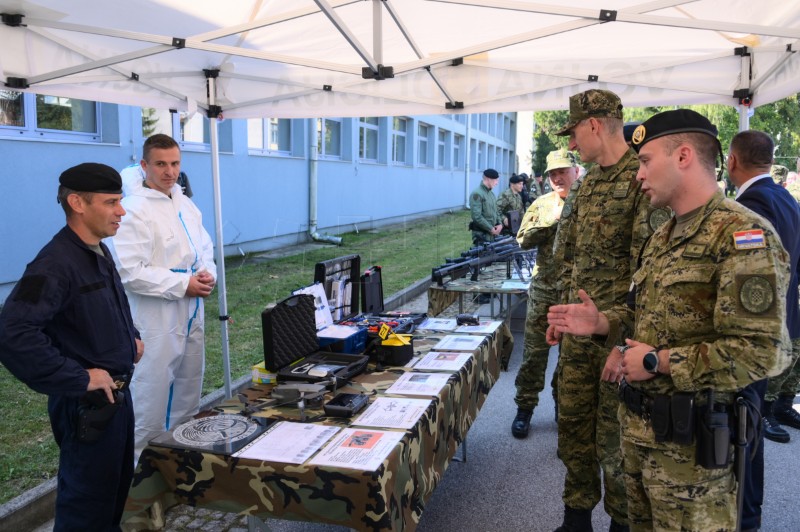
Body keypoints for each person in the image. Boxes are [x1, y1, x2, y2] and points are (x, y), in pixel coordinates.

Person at [548, 109, 791, 531]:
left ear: (683, 157)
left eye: (645, 161)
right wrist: (604, 323)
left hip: (692, 464)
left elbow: (763, 353)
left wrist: (656, 362)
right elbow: (645, 317)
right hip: (641, 444)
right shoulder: (665, 235)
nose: (638, 174)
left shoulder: (742, 236)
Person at [0, 163, 142, 530]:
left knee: (112, 498)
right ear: (78, 203)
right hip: (86, 407)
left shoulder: (96, 249)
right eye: (112, 202)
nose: (121, 211)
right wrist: (77, 376)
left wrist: (131, 336)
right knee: (86, 509)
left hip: (116, 399)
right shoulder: (54, 264)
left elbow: (103, 307)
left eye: (120, 201)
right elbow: (13, 332)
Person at [549, 88, 666, 532]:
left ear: (595, 124)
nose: (572, 144)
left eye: (575, 132)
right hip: (578, 334)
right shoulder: (589, 182)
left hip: (618, 338)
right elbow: (569, 258)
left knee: (615, 442)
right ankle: (575, 521)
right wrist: (558, 317)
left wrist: (622, 340)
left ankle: (623, 523)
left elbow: (648, 273)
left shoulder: (641, 179)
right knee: (573, 430)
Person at [110, 133, 217, 463]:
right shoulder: (133, 209)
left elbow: (204, 248)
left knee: (187, 389)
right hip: (154, 317)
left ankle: (179, 468)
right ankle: (139, 480)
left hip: (190, 311)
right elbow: (129, 270)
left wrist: (206, 273)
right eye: (160, 164)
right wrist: (183, 283)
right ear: (144, 165)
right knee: (150, 395)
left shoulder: (184, 202)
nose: (169, 172)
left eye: (174, 164)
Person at [728, 130, 800, 531]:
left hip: (753, 336)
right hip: (779, 324)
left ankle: (747, 516)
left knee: (744, 428)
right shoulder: (785, 198)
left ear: (733, 161)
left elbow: (750, 277)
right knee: (748, 424)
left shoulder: (752, 205)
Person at [511, 149, 580, 439]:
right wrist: (547, 224)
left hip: (577, 294)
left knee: (572, 357)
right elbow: (522, 239)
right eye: (552, 173)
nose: (557, 177)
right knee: (534, 354)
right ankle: (524, 408)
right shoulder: (541, 204)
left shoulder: (590, 204)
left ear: (576, 171)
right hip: (544, 290)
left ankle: (562, 407)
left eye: (563, 171)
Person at [469, 168, 503, 246]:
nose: (497, 183)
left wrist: (500, 224)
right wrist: (490, 229)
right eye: (495, 180)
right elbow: (476, 216)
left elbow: (496, 211)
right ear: (488, 179)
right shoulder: (477, 194)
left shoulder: (491, 194)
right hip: (481, 235)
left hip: (492, 235)